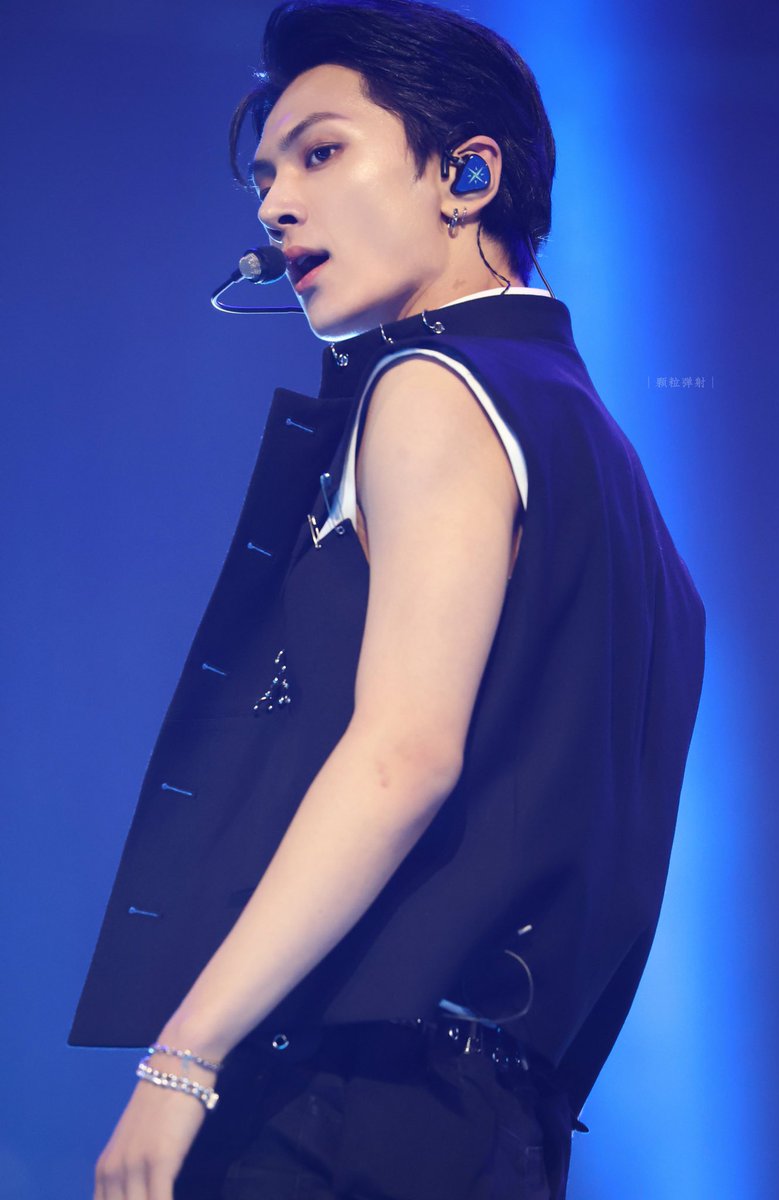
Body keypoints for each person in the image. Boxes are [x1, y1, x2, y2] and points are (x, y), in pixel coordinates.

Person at [72, 2, 706, 1198]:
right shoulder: (606, 463)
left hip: (342, 1101)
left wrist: (181, 1060)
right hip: (498, 1127)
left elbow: (404, 754)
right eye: (265, 175)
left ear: (467, 176)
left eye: (319, 153)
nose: (274, 205)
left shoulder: (429, 383)